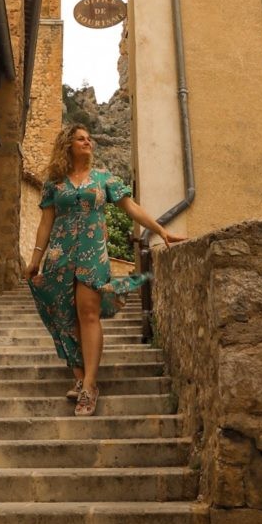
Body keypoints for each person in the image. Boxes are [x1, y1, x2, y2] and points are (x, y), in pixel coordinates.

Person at [25, 124, 186, 417]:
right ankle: (78, 375)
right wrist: (36, 258)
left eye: (90, 139)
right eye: (81, 139)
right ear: (68, 145)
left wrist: (161, 230)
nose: (88, 142)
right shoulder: (54, 183)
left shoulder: (103, 179)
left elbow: (132, 208)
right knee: (64, 317)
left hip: (91, 256)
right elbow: (46, 223)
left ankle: (89, 384)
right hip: (59, 257)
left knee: (88, 314)